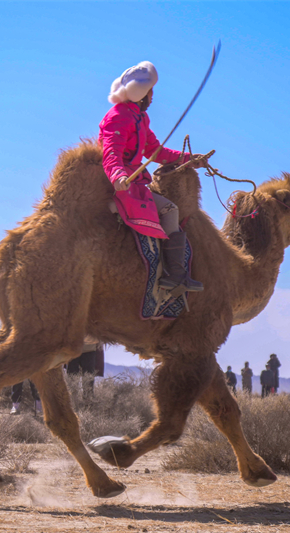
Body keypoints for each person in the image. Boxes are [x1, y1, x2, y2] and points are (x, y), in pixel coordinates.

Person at [100, 60, 207, 293]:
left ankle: (175, 275)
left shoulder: (139, 117)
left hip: (132, 183)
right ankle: (175, 275)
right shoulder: (118, 116)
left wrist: (189, 159)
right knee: (170, 209)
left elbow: (155, 152)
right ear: (142, 93)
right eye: (150, 91)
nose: (152, 96)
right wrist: (118, 175)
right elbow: (111, 153)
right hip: (119, 185)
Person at [66, 336, 105, 401]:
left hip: (89, 349)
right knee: (72, 379)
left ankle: (88, 403)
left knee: (88, 381)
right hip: (74, 349)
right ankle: (73, 403)